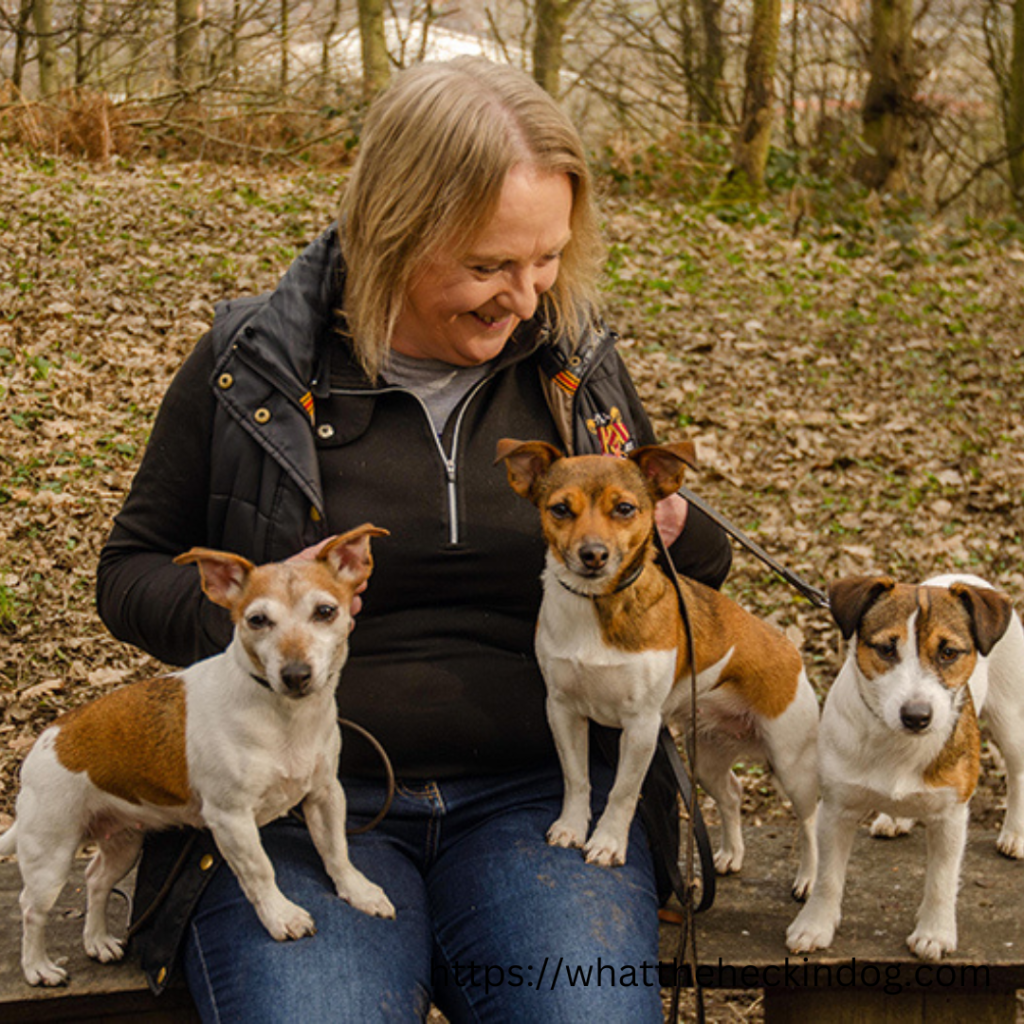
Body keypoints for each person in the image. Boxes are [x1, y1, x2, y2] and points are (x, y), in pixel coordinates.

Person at [97, 56, 731, 1023]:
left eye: (547, 258)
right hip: (295, 793)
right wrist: (264, 623)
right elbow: (128, 570)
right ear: (391, 227)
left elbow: (677, 560)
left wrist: (688, 535)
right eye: (488, 265)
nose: (525, 294)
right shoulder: (250, 364)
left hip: (542, 798)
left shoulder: (571, 364)